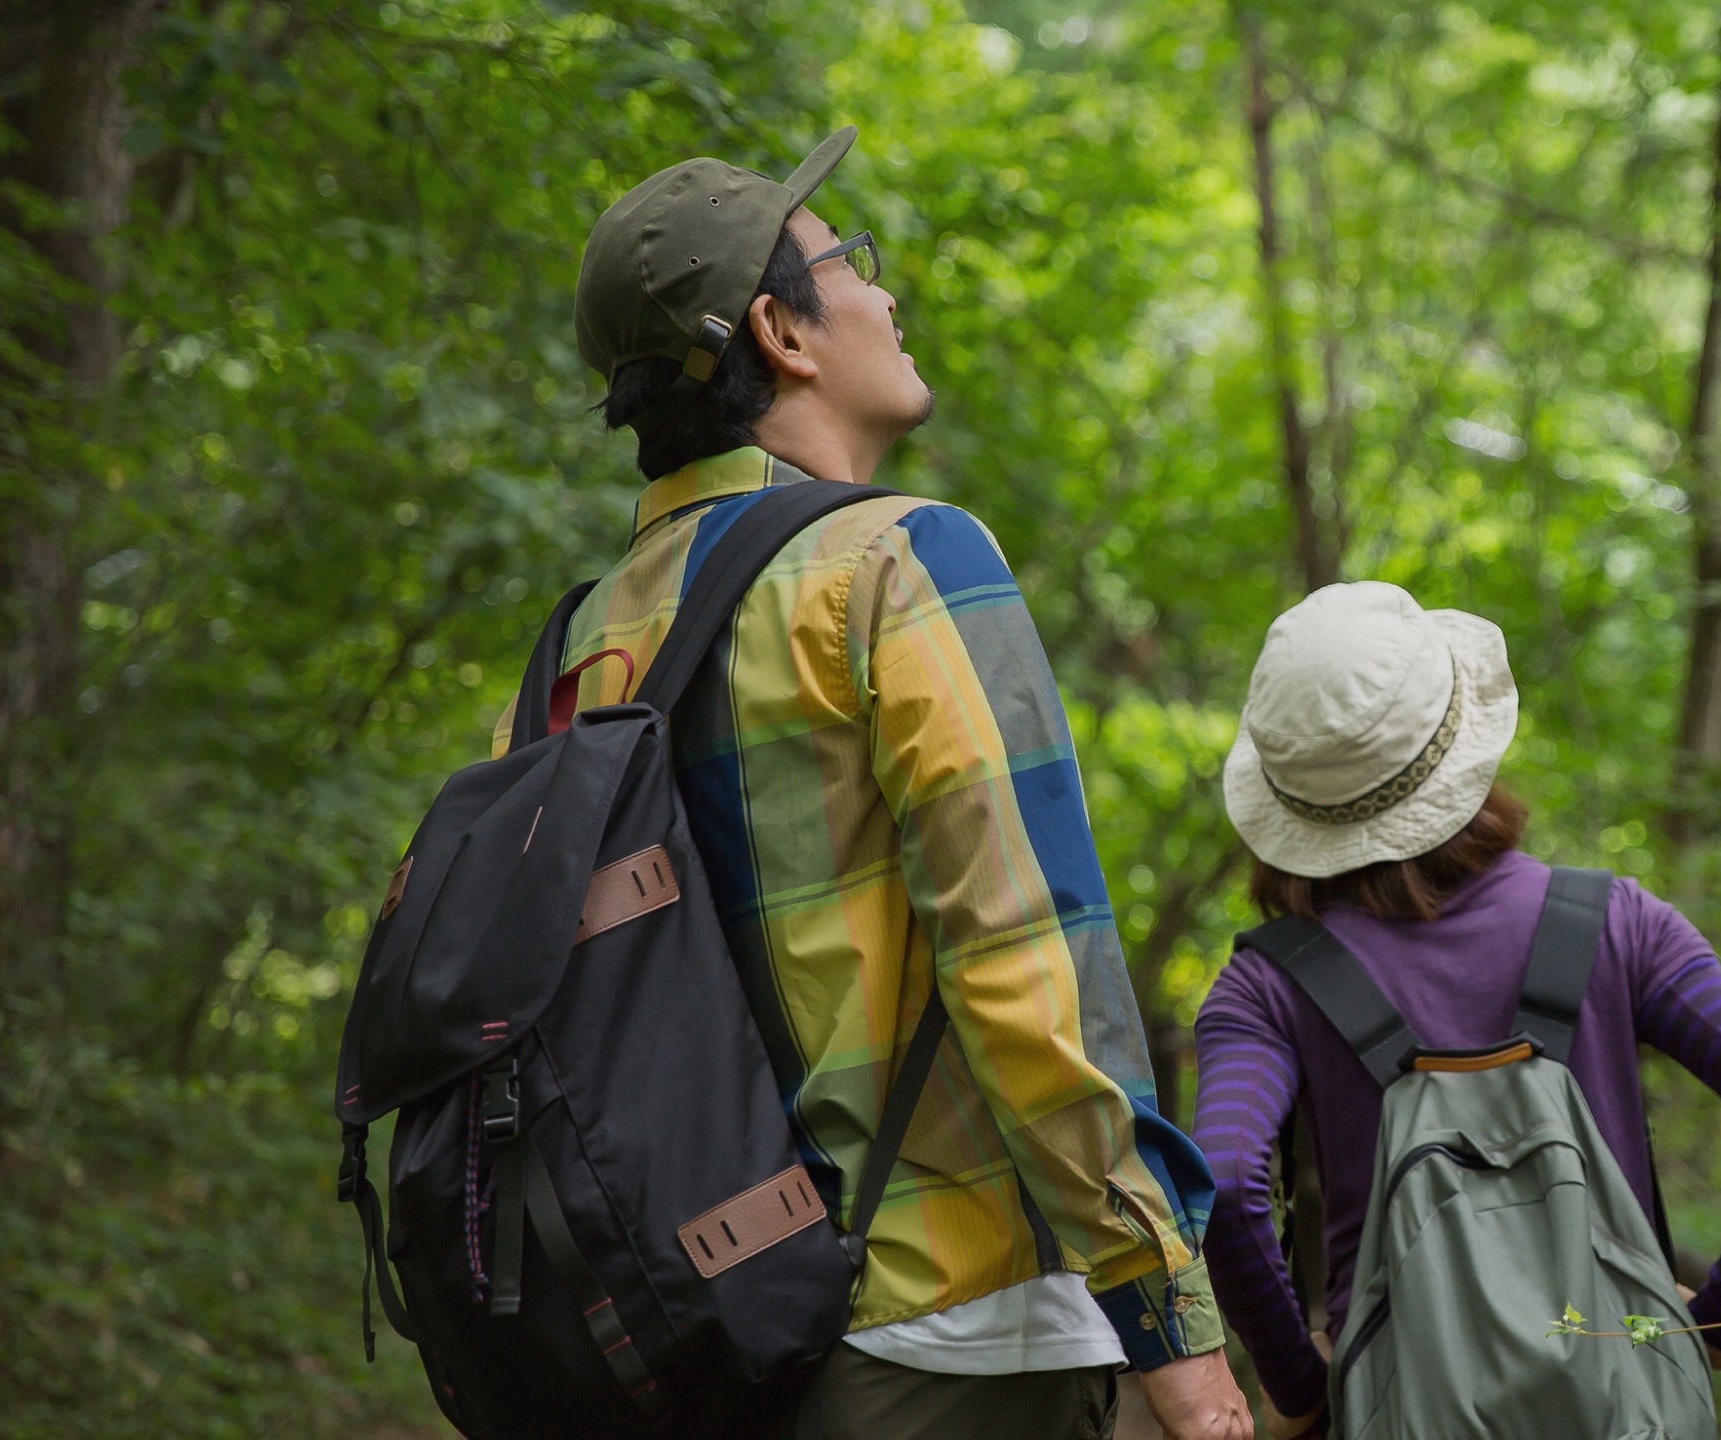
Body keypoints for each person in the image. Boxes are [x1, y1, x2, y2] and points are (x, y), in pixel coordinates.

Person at [522, 127, 1253, 1440]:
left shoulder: (582, 636)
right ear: (781, 334)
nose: (886, 292)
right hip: (943, 1324)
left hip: (700, 1323)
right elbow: (1028, 969)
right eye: (849, 262)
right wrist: (1171, 1324)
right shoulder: (902, 563)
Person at [1192, 581, 1721, 1437]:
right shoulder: (1615, 924)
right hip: (1627, 1394)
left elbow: (1228, 1186)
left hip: (1399, 1404)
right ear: (1461, 747)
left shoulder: (1265, 987)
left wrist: (1301, 1384)